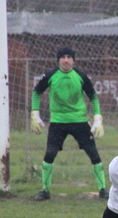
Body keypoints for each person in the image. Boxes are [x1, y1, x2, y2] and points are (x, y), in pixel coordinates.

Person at [30, 46, 108, 200]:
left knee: (94, 154)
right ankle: (45, 190)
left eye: (69, 57)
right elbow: (36, 92)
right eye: (63, 57)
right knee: (50, 154)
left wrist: (98, 118)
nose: (66, 60)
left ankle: (103, 189)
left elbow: (93, 97)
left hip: (79, 121)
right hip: (58, 122)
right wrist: (35, 114)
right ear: (58, 60)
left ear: (73, 60)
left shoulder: (80, 76)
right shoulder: (51, 75)